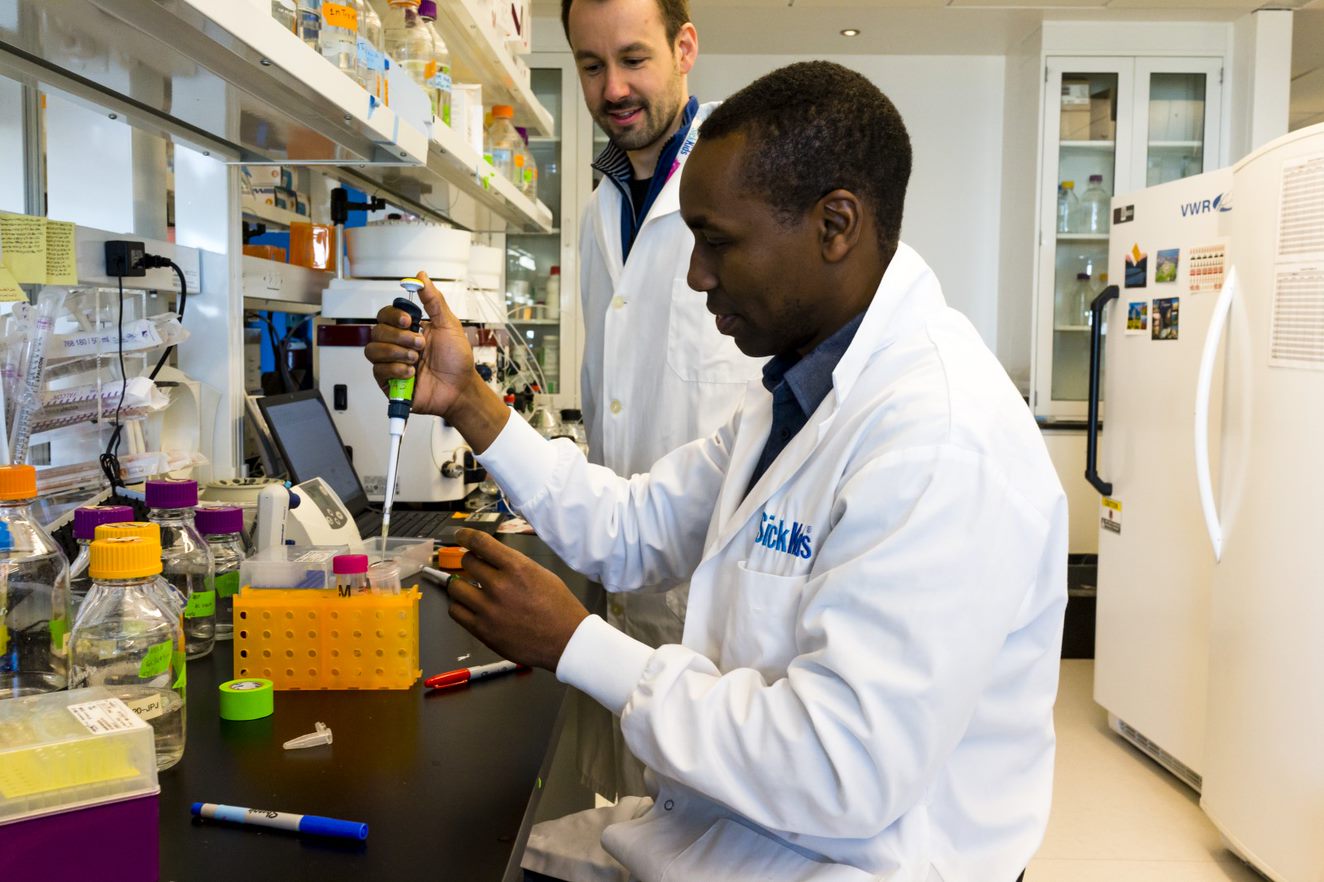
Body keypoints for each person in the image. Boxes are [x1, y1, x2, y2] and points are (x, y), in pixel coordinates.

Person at [367, 61, 1066, 882]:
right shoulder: (799, 392)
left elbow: (842, 768)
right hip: (739, 838)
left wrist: (577, 643)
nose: (697, 275)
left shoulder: (940, 439)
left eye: (717, 241)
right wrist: (468, 403)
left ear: (834, 224)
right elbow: (635, 527)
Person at [560, 0, 762, 801]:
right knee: (626, 819)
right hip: (622, 571)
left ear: (685, 47)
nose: (614, 87)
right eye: (589, 64)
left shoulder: (745, 193)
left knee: (709, 818)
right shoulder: (600, 206)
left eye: (634, 59)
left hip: (717, 584)